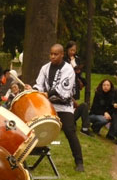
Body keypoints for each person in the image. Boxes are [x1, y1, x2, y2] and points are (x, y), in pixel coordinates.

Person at [25, 44, 84, 172]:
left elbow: (63, 89)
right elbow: (39, 84)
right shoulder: (45, 68)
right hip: (47, 105)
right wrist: (33, 89)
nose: (52, 56)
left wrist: (47, 93)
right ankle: (34, 151)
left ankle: (79, 162)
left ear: (62, 54)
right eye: (51, 54)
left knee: (70, 131)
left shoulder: (68, 69)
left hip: (63, 106)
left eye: (55, 54)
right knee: (36, 127)